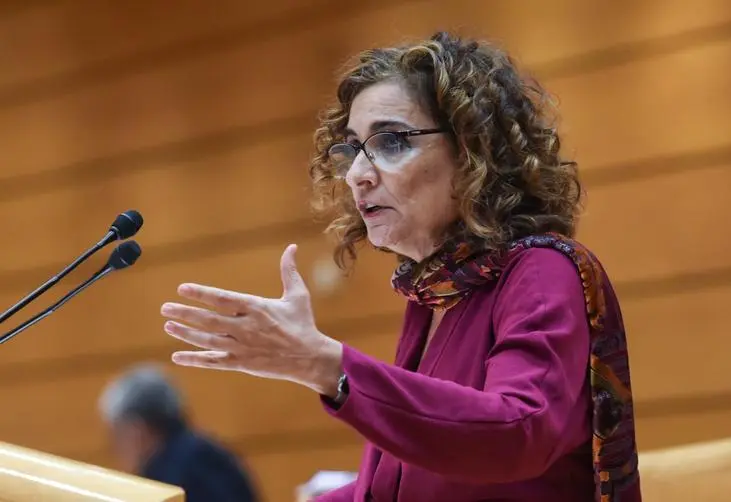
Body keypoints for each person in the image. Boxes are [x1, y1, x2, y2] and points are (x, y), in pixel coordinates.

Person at [159, 31, 642, 501]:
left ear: (473, 152)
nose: (357, 174)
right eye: (352, 148)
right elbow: (406, 486)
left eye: (390, 142)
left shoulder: (541, 271)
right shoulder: (434, 296)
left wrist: (326, 365)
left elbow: (516, 433)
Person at [98, 363, 260, 502]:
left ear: (136, 429)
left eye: (117, 433)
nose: (116, 447)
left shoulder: (183, 469)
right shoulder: (200, 453)